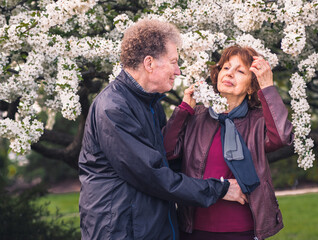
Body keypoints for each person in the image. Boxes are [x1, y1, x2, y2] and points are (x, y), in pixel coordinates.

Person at [78, 19, 232, 240]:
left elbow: (169, 158)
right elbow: (153, 175)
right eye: (173, 62)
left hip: (149, 227)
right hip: (122, 232)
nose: (178, 71)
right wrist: (219, 189)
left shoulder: (150, 103)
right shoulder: (113, 108)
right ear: (149, 63)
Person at [163, 45, 294, 240]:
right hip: (194, 228)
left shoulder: (258, 120)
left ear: (251, 87)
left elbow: (282, 137)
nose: (230, 74)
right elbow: (166, 152)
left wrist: (267, 88)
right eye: (226, 68)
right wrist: (183, 111)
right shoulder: (196, 116)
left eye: (240, 71)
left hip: (243, 230)